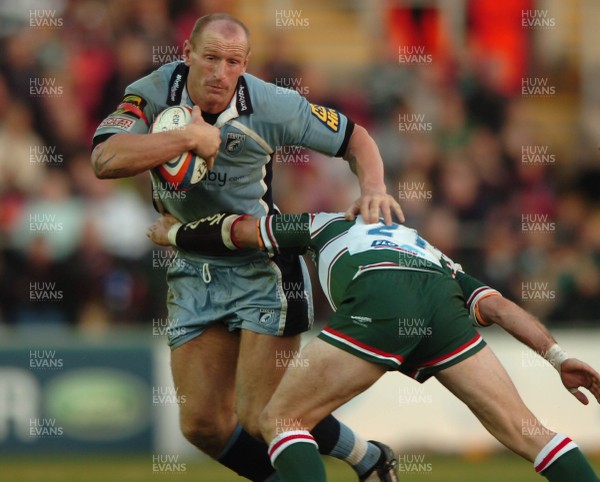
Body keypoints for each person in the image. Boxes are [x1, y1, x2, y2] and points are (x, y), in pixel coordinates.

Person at [92, 13, 403, 482]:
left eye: (232, 61)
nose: (220, 72)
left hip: (264, 263)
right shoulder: (152, 92)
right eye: (211, 57)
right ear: (187, 54)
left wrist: (374, 185)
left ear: (246, 64)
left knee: (264, 413)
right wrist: (185, 138)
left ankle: (365, 457)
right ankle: (368, 459)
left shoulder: (272, 104)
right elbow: (104, 157)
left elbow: (354, 138)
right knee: (203, 425)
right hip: (194, 264)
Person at [147, 211, 600, 482]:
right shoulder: (429, 248)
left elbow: (240, 231)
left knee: (281, 419)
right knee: (530, 433)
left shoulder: (324, 224)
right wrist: (557, 357)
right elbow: (499, 307)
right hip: (441, 307)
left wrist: (174, 234)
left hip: (379, 299)